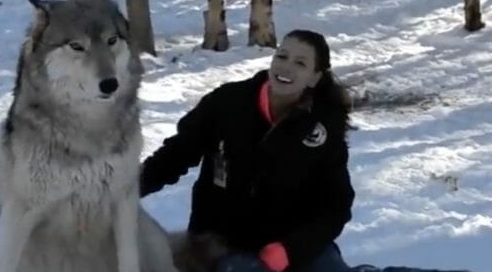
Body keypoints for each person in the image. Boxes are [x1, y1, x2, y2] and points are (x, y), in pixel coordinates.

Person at [140, 29, 355, 272]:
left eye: (300, 63)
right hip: (221, 243)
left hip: (292, 245)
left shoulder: (324, 126)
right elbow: (175, 155)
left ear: (314, 78)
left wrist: (290, 249)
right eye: (281, 57)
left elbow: (336, 205)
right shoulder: (227, 103)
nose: (286, 68)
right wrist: (124, 188)